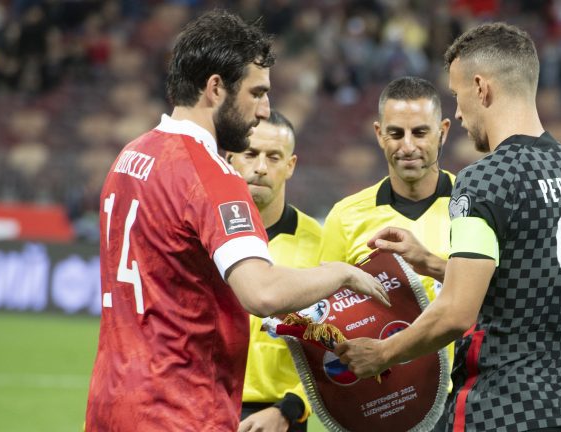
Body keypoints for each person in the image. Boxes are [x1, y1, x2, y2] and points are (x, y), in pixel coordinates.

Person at [84, 11, 388, 432]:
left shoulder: (131, 156)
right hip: (179, 409)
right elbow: (261, 292)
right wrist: (341, 273)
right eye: (257, 93)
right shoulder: (213, 176)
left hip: (111, 400)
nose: (265, 110)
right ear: (215, 88)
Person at [336, 22, 561, 432]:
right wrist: (431, 263)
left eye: (458, 95)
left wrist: (382, 354)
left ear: (481, 88)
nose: (459, 113)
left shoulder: (485, 180)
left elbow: (456, 313)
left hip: (499, 411)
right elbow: (525, 282)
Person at [319, 75, 453, 308]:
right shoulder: (345, 216)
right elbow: (326, 311)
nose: (408, 147)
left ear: (443, 132)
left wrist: (431, 264)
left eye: (420, 133)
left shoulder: (476, 204)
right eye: (396, 134)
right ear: (379, 134)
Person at [229, 110, 320, 431]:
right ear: (230, 158)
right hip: (202, 408)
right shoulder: (200, 236)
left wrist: (290, 409)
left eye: (273, 157)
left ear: (290, 165)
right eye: (250, 154)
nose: (260, 167)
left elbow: (337, 346)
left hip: (281, 417)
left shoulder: (320, 244)